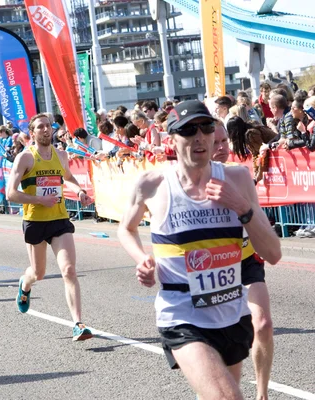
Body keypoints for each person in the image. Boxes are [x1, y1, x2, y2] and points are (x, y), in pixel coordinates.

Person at [118, 100, 281, 399]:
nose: (199, 137)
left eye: (205, 127)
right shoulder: (152, 184)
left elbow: (273, 253)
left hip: (231, 311)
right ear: (171, 139)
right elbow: (125, 228)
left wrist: (241, 206)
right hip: (182, 314)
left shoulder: (237, 179)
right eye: (187, 130)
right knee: (227, 396)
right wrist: (142, 258)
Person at [6, 113, 94, 341]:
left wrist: (81, 192)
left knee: (69, 270)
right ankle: (25, 284)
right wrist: (39, 200)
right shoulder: (25, 158)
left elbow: (69, 179)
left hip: (59, 220)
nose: (46, 130)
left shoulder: (61, 155)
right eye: (40, 127)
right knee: (38, 273)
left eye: (48, 126)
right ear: (32, 132)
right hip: (35, 221)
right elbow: (10, 193)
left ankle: (78, 323)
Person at [212, 126, 275, 400]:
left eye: (225, 140)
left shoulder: (240, 174)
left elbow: (257, 215)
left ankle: (262, 394)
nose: (222, 146)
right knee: (219, 337)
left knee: (262, 324)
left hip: (247, 259)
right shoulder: (188, 183)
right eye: (215, 142)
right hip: (212, 268)